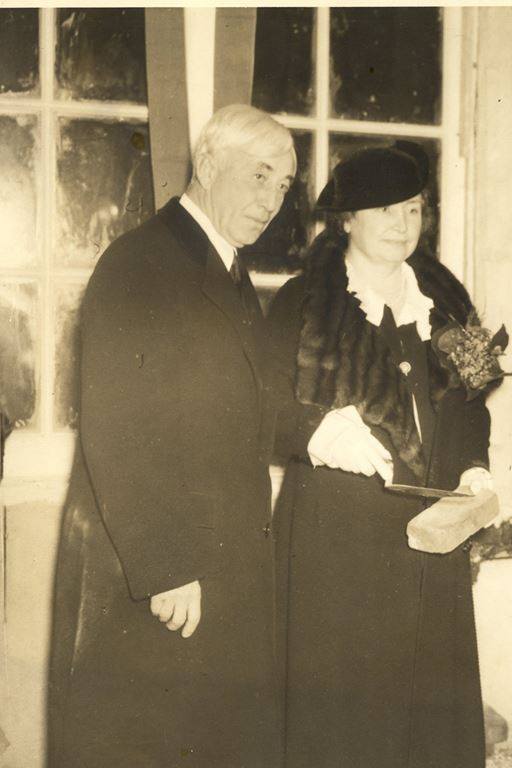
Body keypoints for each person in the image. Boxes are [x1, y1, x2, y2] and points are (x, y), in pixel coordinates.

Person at [48, 104, 296, 767]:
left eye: (283, 185)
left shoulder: (228, 271)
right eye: (260, 175)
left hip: (212, 572)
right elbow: (121, 426)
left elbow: (242, 415)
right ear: (208, 164)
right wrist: (167, 566)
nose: (272, 200)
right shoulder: (142, 264)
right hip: (160, 578)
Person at [268, 142, 493, 768]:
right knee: (346, 725)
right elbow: (259, 408)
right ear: (347, 220)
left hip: (430, 534)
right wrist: (316, 431)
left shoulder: (443, 299)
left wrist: (473, 464)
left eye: (414, 210)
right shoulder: (305, 304)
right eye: (386, 210)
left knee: (428, 720)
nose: (403, 225)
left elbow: (470, 403)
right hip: (336, 546)